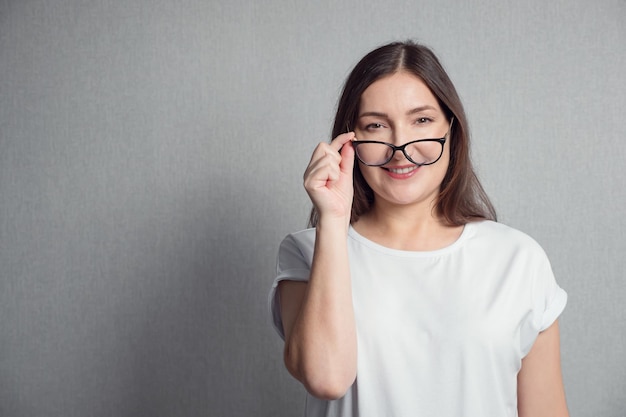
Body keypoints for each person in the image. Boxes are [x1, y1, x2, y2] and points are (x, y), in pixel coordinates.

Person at [268, 40, 569, 417]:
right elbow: (327, 378)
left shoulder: (518, 259)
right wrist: (332, 219)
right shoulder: (307, 253)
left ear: (452, 130)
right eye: (376, 125)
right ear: (350, 141)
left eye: (421, 120)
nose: (401, 146)